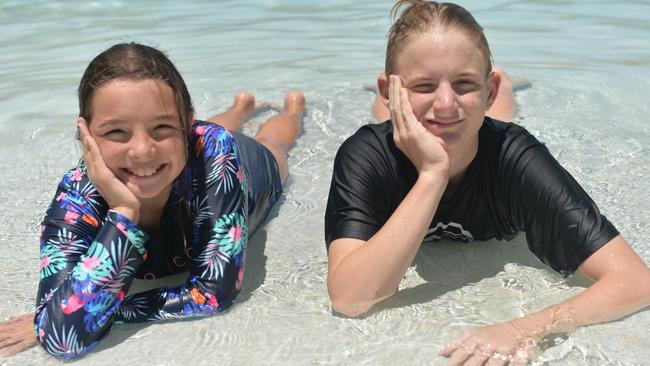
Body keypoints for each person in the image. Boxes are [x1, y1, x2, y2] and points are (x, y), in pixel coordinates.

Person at [324, 1, 650, 364]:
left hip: (491, 122)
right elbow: (350, 299)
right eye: (422, 85)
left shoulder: (514, 157)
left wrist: (523, 329)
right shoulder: (367, 154)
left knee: (500, 116)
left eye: (465, 82)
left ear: (487, 87)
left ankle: (504, 85)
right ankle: (401, 97)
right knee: (400, 119)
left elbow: (635, 281)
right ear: (391, 90)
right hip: (409, 118)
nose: (446, 103)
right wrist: (433, 174)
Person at [0, 42, 305, 359]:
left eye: (162, 127)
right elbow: (64, 340)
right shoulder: (78, 195)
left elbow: (213, 294)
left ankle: (292, 110)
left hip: (249, 175)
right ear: (86, 133)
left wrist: (96, 311)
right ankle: (241, 107)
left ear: (186, 125)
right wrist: (123, 213)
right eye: (117, 131)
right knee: (169, 149)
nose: (142, 149)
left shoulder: (215, 152)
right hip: (182, 156)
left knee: (271, 142)